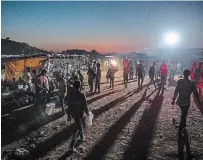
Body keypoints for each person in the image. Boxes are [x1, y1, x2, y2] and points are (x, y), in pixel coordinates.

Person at [172, 69, 201, 159]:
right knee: (184, 115)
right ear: (189, 74)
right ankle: (182, 128)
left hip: (180, 101)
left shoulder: (180, 81)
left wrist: (173, 99)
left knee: (183, 114)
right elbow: (196, 93)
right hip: (186, 102)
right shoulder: (192, 83)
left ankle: (182, 128)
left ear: (183, 74)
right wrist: (199, 101)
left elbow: (176, 91)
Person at [67, 80, 89, 152]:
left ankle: (82, 137)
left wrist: (68, 115)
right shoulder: (82, 95)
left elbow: (69, 106)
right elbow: (85, 105)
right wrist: (87, 113)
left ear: (73, 86)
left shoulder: (71, 94)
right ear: (80, 86)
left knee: (79, 125)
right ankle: (71, 146)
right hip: (79, 114)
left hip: (73, 114)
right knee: (76, 130)